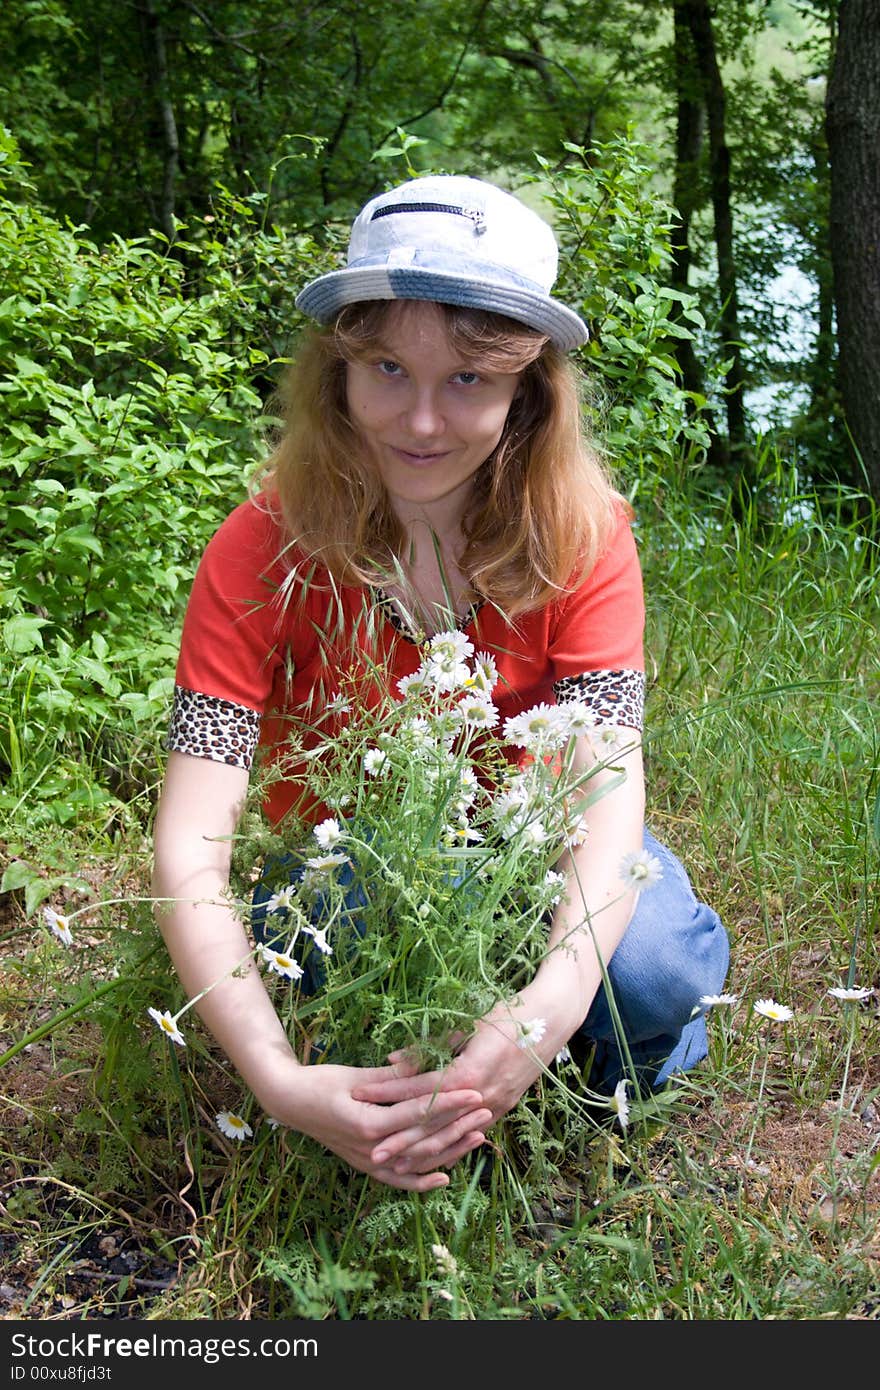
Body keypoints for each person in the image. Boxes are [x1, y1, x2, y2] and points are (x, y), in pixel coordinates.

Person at [151, 174, 729, 1193]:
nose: (420, 420)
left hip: (535, 857)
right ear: (337, 372)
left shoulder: (583, 538)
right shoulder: (259, 550)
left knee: (647, 972)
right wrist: (279, 1081)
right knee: (337, 966)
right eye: (386, 367)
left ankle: (601, 1075)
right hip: (349, 880)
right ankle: (426, 1083)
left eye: (467, 378)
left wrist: (540, 1010)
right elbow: (190, 844)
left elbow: (605, 789)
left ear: (526, 391)